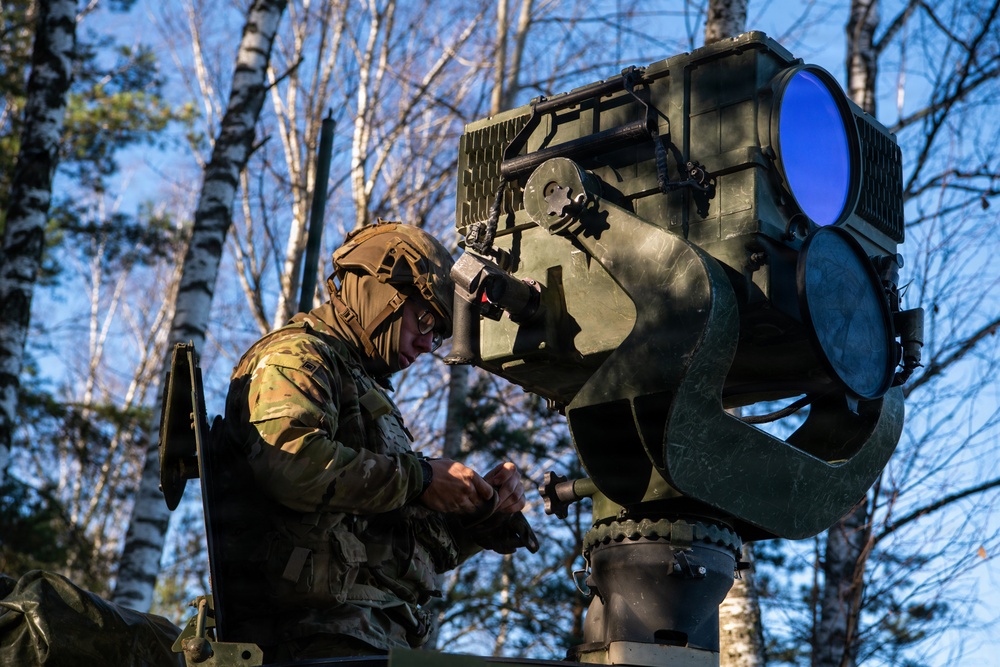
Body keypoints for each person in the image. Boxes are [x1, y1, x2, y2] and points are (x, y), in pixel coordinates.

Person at [217, 220, 535, 660]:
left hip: (372, 636)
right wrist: (423, 478)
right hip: (312, 638)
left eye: (438, 333)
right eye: (423, 319)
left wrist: (481, 513)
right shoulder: (296, 357)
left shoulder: (362, 387)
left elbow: (397, 547)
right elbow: (290, 463)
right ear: (380, 292)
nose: (426, 344)